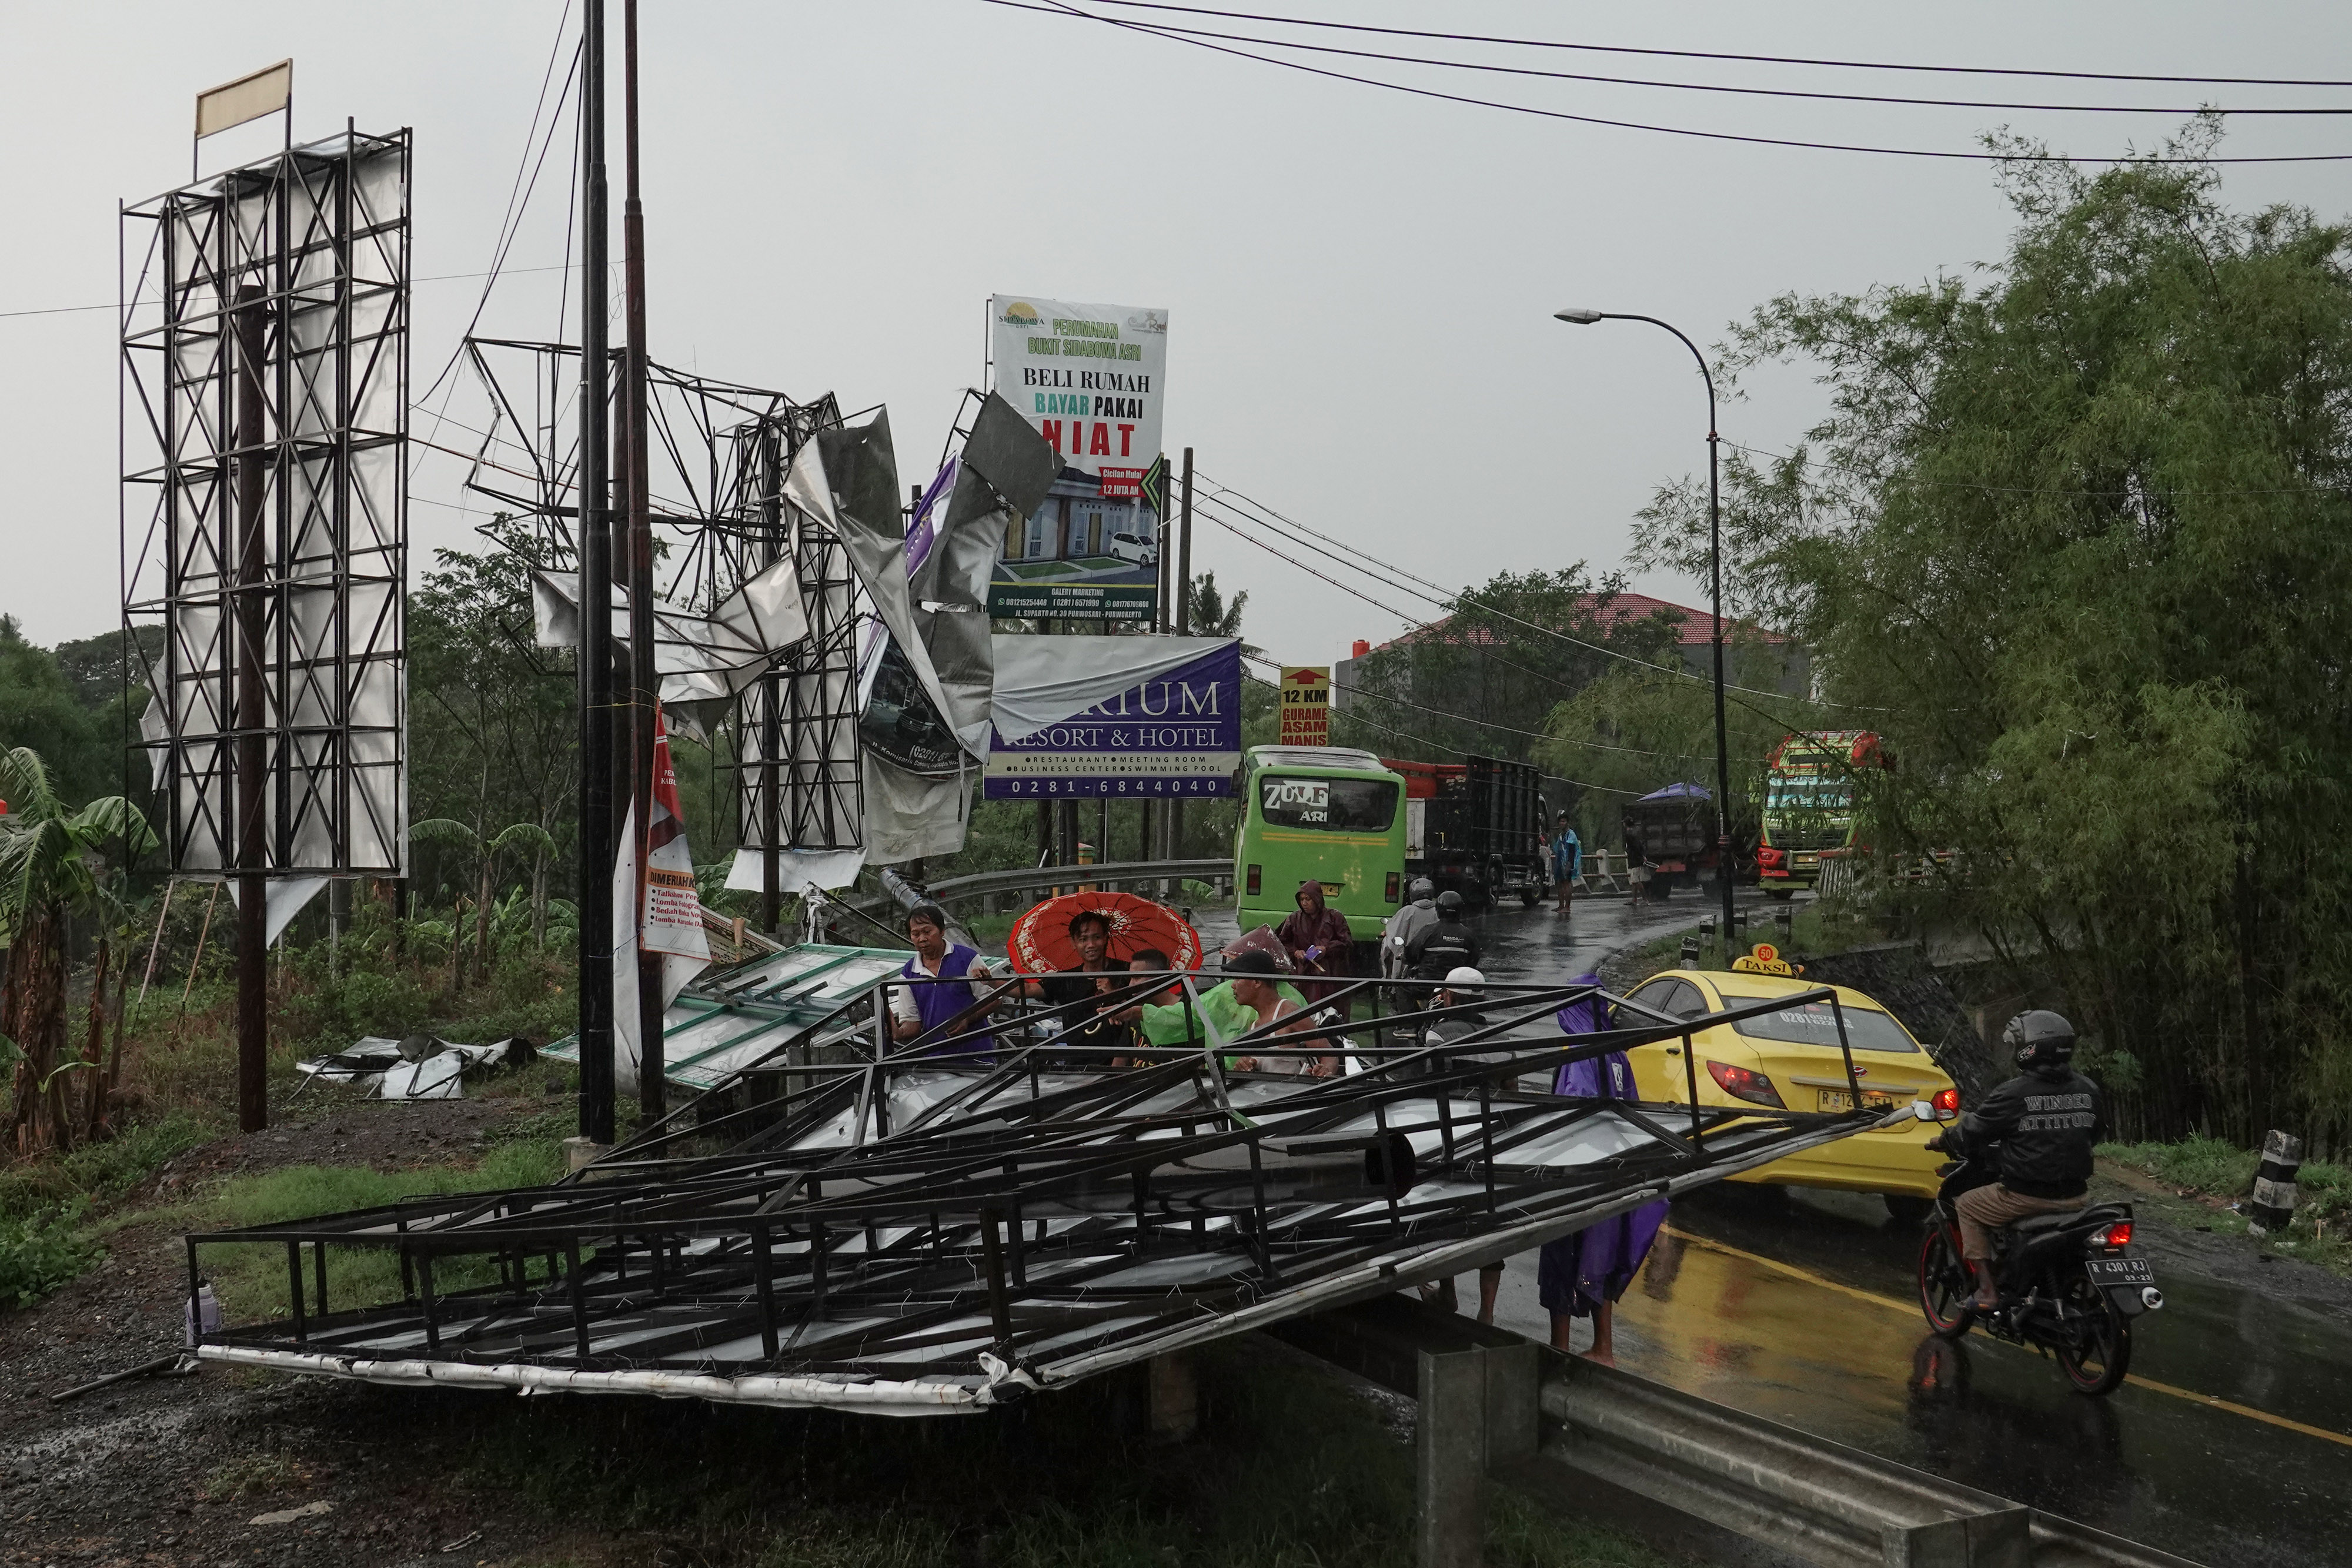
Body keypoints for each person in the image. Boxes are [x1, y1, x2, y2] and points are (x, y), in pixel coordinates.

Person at [1929, 1009, 2106, 1311]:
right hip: (2077, 1198)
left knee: (1967, 1205)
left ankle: (1987, 1291)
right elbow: (2096, 1133)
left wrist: (1943, 1141)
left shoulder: (2015, 1093)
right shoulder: (2088, 1088)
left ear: (2029, 1048)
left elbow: (1971, 1132)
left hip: (2026, 1197)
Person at [1538, 973, 1668, 1362]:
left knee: (1561, 1258)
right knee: (1601, 1259)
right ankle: (1603, 1348)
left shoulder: (1579, 1052)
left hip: (1580, 1173)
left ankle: (1559, 1349)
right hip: (1614, 1168)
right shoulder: (1615, 1052)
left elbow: (1573, 1109)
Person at [1419, 966, 1511, 1322]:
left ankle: (1448, 1291)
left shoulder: (1437, 1035)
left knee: (1449, 1212)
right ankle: (1487, 1314)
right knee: (1490, 1220)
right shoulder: (1500, 1035)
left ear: (1451, 998)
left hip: (1453, 1136)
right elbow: (1512, 1088)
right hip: (1494, 1138)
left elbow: (1429, 1088)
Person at [888, 902, 1011, 1059]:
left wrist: (967, 1018)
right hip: (937, 1062)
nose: (922, 939)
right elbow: (913, 1023)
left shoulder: (967, 958)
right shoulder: (909, 972)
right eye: (916, 934)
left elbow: (995, 1000)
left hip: (977, 1058)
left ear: (942, 931)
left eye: (927, 931)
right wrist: (899, 1032)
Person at [1024, 908, 1131, 1065]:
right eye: (1083, 939)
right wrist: (989, 980)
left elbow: (1141, 1010)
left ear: (1106, 938)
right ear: (1074, 942)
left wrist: (1113, 994)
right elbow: (1028, 990)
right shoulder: (1066, 979)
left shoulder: (1127, 972)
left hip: (1119, 1062)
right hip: (1077, 1062)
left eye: (1097, 937)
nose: (1091, 945)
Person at [1226, 950, 1337, 1076]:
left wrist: (1325, 1071)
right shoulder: (1253, 1027)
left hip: (1296, 1094)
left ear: (1257, 982)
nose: (1233, 985)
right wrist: (1241, 1067)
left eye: (1238, 978)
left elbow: (1329, 1054)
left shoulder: (1289, 1013)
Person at [1277, 880, 1356, 1021]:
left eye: (1308, 899)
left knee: (1331, 1011)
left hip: (1330, 975)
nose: (1304, 903)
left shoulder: (1334, 917)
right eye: (1302, 899)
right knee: (1304, 1012)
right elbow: (1282, 941)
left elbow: (1347, 942)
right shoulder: (1294, 919)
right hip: (1303, 974)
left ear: (1317, 899)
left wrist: (1327, 949)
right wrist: (1296, 952)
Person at [1405, 890, 1481, 981]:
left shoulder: (1428, 931)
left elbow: (1411, 954)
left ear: (1438, 909)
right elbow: (1473, 960)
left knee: (1401, 991)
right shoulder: (1468, 934)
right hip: (1456, 986)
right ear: (1460, 910)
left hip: (1427, 985)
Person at [1382, 877, 1439, 980]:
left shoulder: (1406, 911)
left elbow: (1393, 936)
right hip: (1433, 962)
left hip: (1408, 962)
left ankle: (1389, 988)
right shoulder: (1438, 912)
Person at [1549, 813, 1582, 915]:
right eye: (1560, 822)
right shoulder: (1561, 836)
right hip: (1560, 863)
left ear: (1567, 823)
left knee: (1567, 884)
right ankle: (1561, 905)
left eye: (1563, 821)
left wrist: (1569, 865)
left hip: (1568, 862)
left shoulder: (1571, 835)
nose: (1561, 823)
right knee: (1559, 883)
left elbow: (1572, 851)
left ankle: (1567, 907)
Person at [1625, 831, 1653, 905]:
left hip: (1635, 862)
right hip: (1636, 862)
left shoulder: (1633, 843)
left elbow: (1636, 850)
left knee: (1637, 882)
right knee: (1634, 882)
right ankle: (1634, 900)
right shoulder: (1637, 840)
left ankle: (1645, 899)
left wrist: (1641, 857)